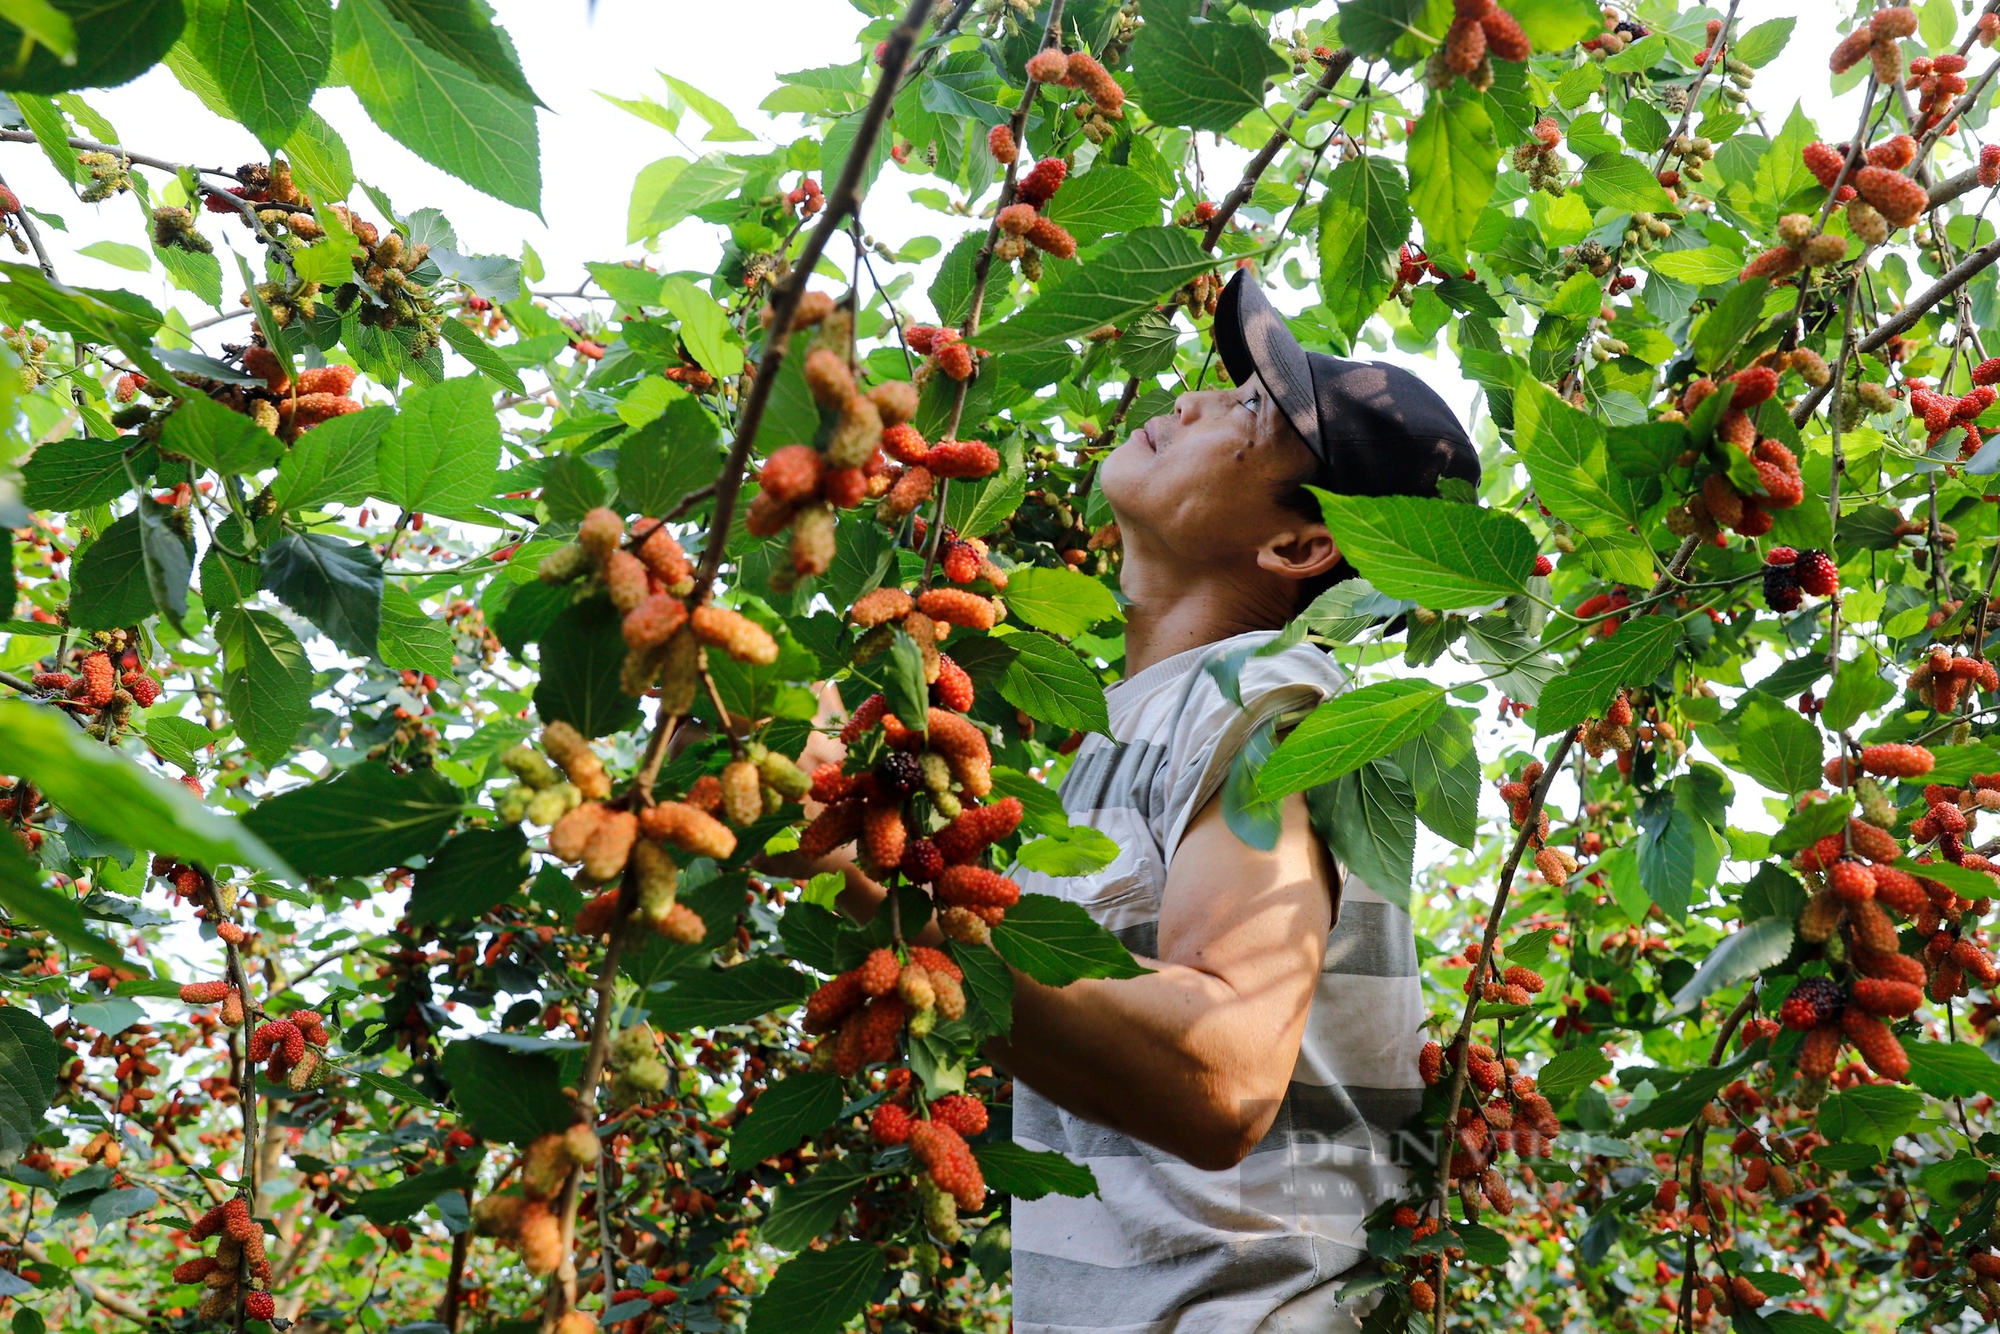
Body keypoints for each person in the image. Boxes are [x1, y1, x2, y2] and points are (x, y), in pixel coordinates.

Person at [794, 267, 1481, 1332]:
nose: (1198, 399)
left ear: (1298, 546)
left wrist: (874, 890)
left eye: (1252, 410)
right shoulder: (1124, 731)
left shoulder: (1268, 698)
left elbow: (1225, 1071)